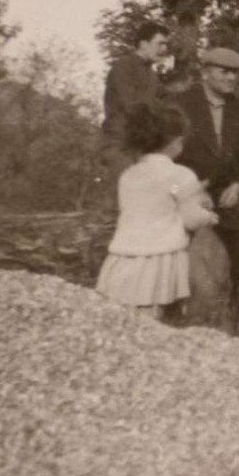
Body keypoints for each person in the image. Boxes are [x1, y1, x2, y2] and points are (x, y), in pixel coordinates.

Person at [96, 103, 219, 319]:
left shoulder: (129, 174)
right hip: (158, 257)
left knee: (117, 316)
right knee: (150, 317)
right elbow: (191, 218)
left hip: (123, 256)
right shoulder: (180, 175)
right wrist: (208, 217)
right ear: (177, 143)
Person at [175, 47, 239, 307]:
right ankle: (172, 311)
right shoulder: (179, 105)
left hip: (228, 192)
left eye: (235, 73)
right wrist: (192, 189)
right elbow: (167, 153)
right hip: (187, 190)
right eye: (224, 71)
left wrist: (238, 186)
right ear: (205, 72)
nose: (231, 78)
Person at [100, 21, 169, 186]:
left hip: (141, 143)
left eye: (166, 45)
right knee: (124, 197)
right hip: (120, 143)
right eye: (160, 44)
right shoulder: (123, 67)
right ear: (143, 44)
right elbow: (133, 106)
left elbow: (163, 103)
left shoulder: (152, 75)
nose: (164, 49)